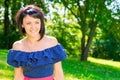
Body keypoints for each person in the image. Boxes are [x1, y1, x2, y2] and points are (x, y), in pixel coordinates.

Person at [7, 4, 67, 80]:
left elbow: (58, 73)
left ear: (41, 23)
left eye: (36, 22)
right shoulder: (18, 46)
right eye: (28, 23)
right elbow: (18, 76)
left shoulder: (52, 42)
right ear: (22, 24)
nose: (33, 27)